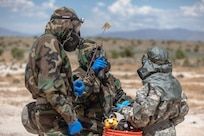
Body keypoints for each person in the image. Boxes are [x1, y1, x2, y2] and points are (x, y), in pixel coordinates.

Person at [24, 6, 86, 136]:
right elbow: (51, 88)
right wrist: (71, 120)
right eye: (74, 26)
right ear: (65, 22)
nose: (74, 32)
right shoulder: (49, 42)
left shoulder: (48, 41)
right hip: (52, 116)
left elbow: (50, 79)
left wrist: (69, 87)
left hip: (53, 113)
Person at [119, 46, 189, 136]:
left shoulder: (151, 87)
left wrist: (124, 110)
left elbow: (141, 120)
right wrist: (166, 124)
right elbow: (182, 112)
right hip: (170, 131)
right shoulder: (175, 84)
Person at [72, 40, 134, 136]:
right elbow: (78, 97)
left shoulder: (108, 78)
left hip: (106, 128)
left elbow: (119, 96)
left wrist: (130, 104)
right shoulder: (78, 76)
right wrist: (92, 73)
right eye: (94, 55)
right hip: (86, 130)